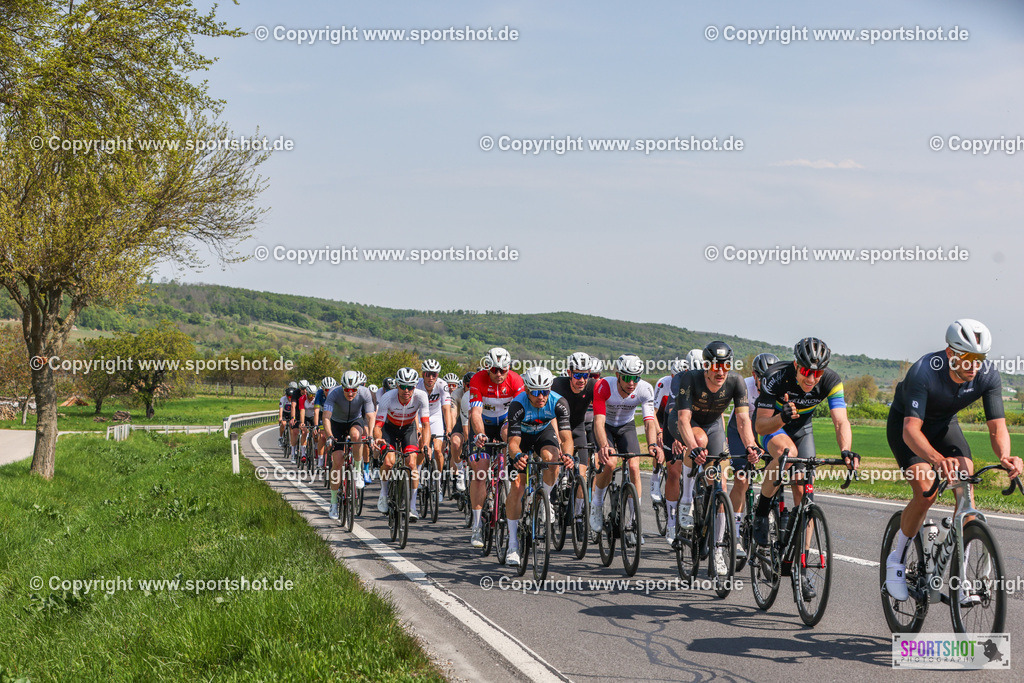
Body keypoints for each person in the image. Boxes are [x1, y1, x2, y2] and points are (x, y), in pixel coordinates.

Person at [884, 319, 1023, 601]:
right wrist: (936, 459)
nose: (975, 365)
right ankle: (896, 561)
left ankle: (959, 582)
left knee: (966, 491)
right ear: (951, 354)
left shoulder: (987, 375)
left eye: (980, 358)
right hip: (909, 429)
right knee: (926, 492)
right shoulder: (924, 372)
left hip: (946, 427)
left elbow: (997, 427)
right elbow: (911, 430)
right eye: (968, 358)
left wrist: (1006, 456)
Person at [669, 342, 762, 576]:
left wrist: (751, 445)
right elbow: (683, 420)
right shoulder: (691, 379)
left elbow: (742, 422)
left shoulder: (735, 382)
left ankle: (718, 549)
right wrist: (692, 448)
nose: (721, 371)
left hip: (713, 426)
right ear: (706, 365)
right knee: (698, 442)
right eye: (716, 366)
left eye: (726, 366)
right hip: (686, 423)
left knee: (719, 482)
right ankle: (687, 501)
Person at [504, 366, 575, 566]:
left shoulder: (558, 402)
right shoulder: (518, 404)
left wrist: (568, 454)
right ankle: (512, 545)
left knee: (552, 460)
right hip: (522, 439)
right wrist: (517, 455)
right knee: (517, 486)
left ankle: (545, 498)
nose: (541, 396)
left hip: (543, 433)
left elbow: (566, 437)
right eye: (536, 392)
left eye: (545, 391)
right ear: (526, 390)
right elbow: (513, 442)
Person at [589, 354, 664, 537]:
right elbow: (598, 421)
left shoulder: (645, 389)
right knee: (610, 463)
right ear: (618, 375)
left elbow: (648, 422)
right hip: (604, 425)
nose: (632, 383)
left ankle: (633, 521)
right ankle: (596, 505)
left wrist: (653, 444)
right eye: (628, 378)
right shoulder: (604, 385)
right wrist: (604, 445)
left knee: (634, 466)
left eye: (636, 378)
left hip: (626, 426)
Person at [468, 347, 525, 548]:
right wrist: (480, 434)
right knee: (481, 471)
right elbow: (475, 412)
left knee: (508, 435)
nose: (499, 374)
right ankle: (476, 526)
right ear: (487, 368)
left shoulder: (517, 381)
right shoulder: (478, 380)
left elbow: (519, 413)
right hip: (483, 424)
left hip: (505, 424)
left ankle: (506, 471)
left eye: (503, 370)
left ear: (509, 367)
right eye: (494, 370)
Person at [725, 353, 777, 559]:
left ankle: (765, 514)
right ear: (754, 375)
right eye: (762, 379)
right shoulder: (744, 385)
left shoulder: (777, 386)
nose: (767, 384)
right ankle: (734, 531)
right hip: (739, 430)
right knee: (742, 479)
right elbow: (742, 421)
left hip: (763, 431)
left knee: (776, 474)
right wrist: (751, 446)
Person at [373, 367, 431, 522]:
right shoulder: (388, 397)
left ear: (415, 387)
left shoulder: (421, 396)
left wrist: (425, 445)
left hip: (409, 429)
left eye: (410, 387)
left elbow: (425, 425)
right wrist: (378, 439)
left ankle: (412, 506)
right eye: (403, 386)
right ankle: (384, 494)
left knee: (412, 464)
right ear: (397, 385)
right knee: (389, 462)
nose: (406, 391)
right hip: (389, 429)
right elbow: (378, 426)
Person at [550, 352, 596, 536]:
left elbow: (601, 413)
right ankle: (550, 504)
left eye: (585, 375)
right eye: (577, 375)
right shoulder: (557, 385)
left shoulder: (592, 386)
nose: (582, 379)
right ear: (569, 373)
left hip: (577, 428)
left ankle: (578, 515)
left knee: (582, 475)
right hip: (557, 426)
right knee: (553, 464)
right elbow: (551, 415)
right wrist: (558, 441)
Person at [322, 371, 376, 520]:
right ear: (342, 386)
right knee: (337, 463)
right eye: (347, 389)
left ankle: (358, 471)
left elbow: (370, 416)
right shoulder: (334, 393)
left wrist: (370, 435)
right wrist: (330, 436)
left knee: (356, 436)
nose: (350, 393)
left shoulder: (365, 393)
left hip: (355, 421)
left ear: (358, 387)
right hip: (336, 424)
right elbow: (326, 417)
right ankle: (333, 502)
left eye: (353, 389)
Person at [417, 359, 452, 504]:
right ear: (423, 374)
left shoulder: (442, 385)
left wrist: (448, 429)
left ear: (437, 375)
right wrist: (418, 429)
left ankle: (437, 484)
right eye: (427, 374)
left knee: (438, 450)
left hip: (435, 417)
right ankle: (418, 474)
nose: (430, 378)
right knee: (420, 446)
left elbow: (446, 409)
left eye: (434, 374)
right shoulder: (417, 385)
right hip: (419, 416)